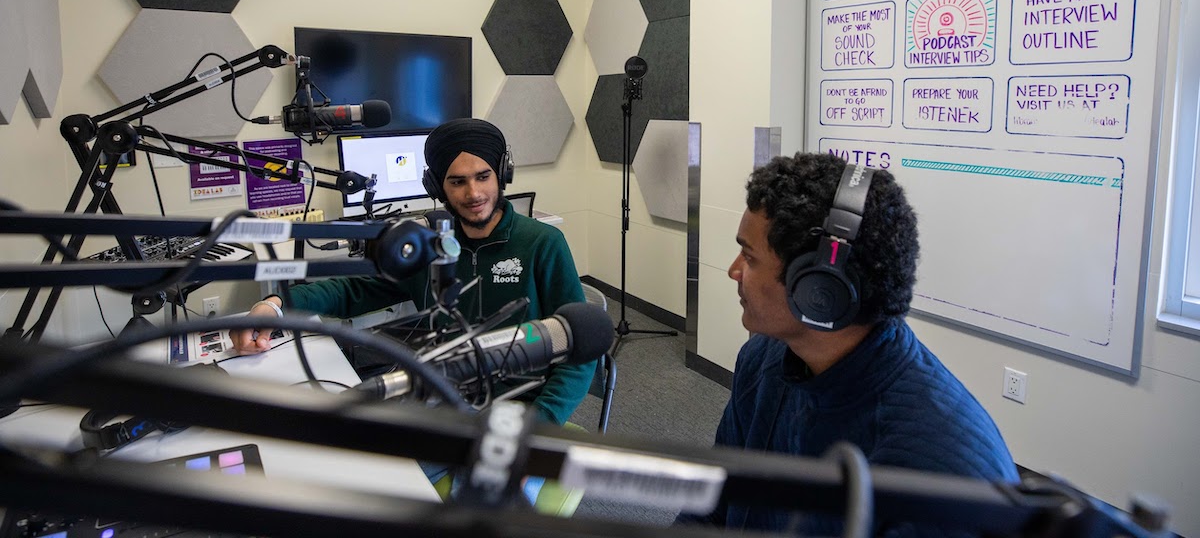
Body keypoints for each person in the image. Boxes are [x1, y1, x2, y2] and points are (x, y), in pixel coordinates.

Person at [683, 152, 1017, 532]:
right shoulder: (762, 360)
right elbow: (709, 506)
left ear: (817, 290)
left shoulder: (949, 473)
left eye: (749, 255)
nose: (734, 271)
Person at [230, 118, 594, 427]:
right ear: (436, 187)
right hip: (443, 395)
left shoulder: (543, 243)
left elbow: (581, 349)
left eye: (483, 176)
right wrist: (275, 305)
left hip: (518, 408)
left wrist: (541, 423)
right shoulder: (428, 245)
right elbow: (354, 290)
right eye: (457, 181)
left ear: (502, 173)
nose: (473, 193)